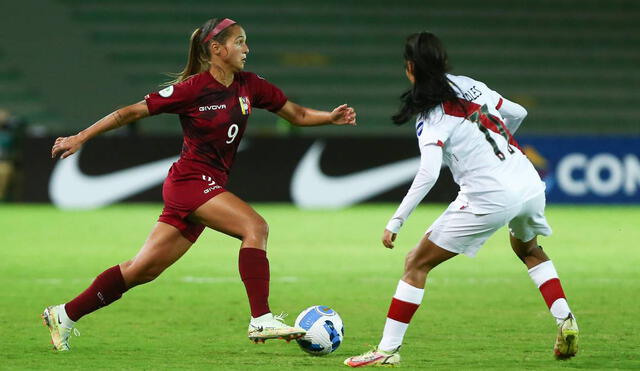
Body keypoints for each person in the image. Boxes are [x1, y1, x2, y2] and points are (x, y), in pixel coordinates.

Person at [43, 17, 356, 351]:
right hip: (190, 182)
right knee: (255, 227)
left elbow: (297, 115)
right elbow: (128, 113)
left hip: (203, 185)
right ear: (216, 49)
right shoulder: (192, 89)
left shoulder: (250, 85)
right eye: (239, 42)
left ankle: (64, 314)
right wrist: (81, 136)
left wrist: (330, 117)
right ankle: (261, 318)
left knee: (142, 270)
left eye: (245, 42)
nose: (246, 49)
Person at [344, 32, 578, 367]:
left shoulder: (431, 116)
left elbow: (427, 174)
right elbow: (519, 112)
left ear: (410, 68)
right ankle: (565, 319)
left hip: (489, 195)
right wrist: (498, 145)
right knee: (529, 250)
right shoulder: (469, 84)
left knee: (416, 263)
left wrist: (396, 220)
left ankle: (387, 350)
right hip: (527, 180)